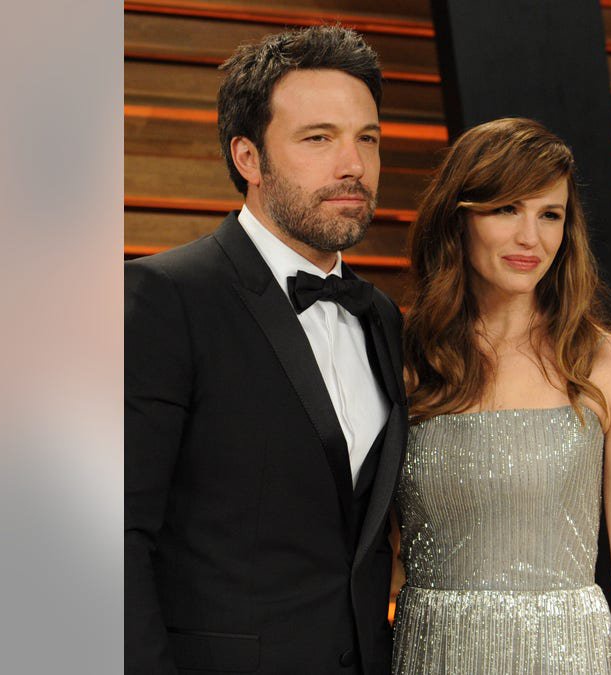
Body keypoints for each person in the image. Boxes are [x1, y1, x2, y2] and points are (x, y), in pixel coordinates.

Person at [125, 26, 408, 674]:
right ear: (248, 158)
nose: (354, 165)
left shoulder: (383, 317)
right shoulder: (165, 297)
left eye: (368, 138)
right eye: (319, 138)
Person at [393, 118, 611, 674]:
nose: (529, 239)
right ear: (459, 218)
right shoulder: (404, 364)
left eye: (550, 215)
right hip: (432, 657)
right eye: (506, 209)